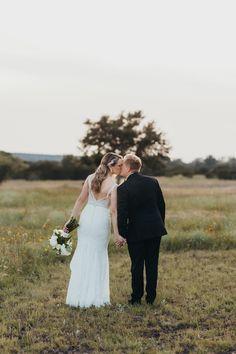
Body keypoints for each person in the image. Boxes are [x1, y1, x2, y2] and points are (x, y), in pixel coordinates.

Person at [64, 152, 124, 308]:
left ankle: (77, 296)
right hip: (100, 220)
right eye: (119, 165)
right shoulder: (113, 185)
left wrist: (70, 221)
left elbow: (80, 200)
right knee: (97, 255)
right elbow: (113, 212)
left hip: (87, 217)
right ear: (111, 166)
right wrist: (117, 234)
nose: (121, 167)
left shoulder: (90, 178)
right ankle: (94, 297)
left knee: (84, 252)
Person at [117, 154, 167, 305]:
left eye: (122, 165)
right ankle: (151, 298)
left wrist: (122, 234)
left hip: (135, 232)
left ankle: (136, 298)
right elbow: (161, 205)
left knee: (137, 265)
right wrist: (159, 224)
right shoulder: (153, 182)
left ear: (128, 166)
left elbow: (122, 214)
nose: (121, 168)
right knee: (152, 264)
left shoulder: (123, 188)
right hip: (155, 229)